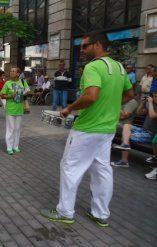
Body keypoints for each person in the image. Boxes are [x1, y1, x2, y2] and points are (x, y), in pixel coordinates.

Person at [41, 32, 133, 227]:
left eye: (85, 46)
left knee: (70, 167)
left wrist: (69, 108)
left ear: (97, 45)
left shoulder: (93, 67)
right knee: (102, 170)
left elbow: (91, 95)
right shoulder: (119, 67)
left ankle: (65, 211)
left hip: (87, 129)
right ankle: (100, 214)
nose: (81, 51)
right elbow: (130, 94)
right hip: (107, 129)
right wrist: (113, 108)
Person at [0, 67, 30, 155]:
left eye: (14, 71)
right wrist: (10, 96)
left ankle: (15, 146)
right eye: (11, 71)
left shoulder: (23, 82)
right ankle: (9, 147)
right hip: (10, 109)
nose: (12, 72)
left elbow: (28, 90)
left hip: (19, 109)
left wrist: (25, 92)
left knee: (17, 129)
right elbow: (2, 95)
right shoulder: (7, 83)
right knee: (10, 129)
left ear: (18, 73)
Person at [110, 98, 139, 167]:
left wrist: (115, 104)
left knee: (125, 133)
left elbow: (123, 116)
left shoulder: (132, 102)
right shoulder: (119, 98)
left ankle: (124, 161)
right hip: (116, 123)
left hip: (123, 125)